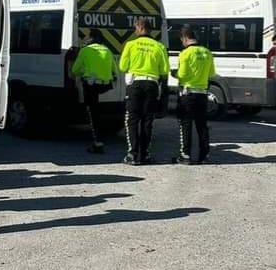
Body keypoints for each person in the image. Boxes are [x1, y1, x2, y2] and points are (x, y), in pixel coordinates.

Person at [118, 17, 170, 166]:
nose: (135, 31)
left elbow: (122, 66)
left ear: (140, 28)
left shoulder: (131, 45)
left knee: (133, 119)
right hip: (152, 84)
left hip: (135, 84)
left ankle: (132, 154)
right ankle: (145, 154)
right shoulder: (159, 46)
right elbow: (164, 70)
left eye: (135, 28)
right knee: (148, 120)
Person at [172, 25, 216, 165]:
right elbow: (211, 74)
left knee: (185, 124)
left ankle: (185, 155)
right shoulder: (207, 52)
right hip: (202, 94)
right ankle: (204, 156)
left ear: (184, 38)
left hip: (188, 93)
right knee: (202, 125)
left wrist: (175, 74)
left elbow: (183, 74)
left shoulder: (185, 53)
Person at [70, 32, 117, 154]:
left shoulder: (85, 50)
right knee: (97, 110)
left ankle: (97, 142)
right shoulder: (107, 50)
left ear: (90, 39)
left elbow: (75, 70)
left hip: (91, 86)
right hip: (105, 85)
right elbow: (114, 70)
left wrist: (84, 71)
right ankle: (99, 137)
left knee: (92, 112)